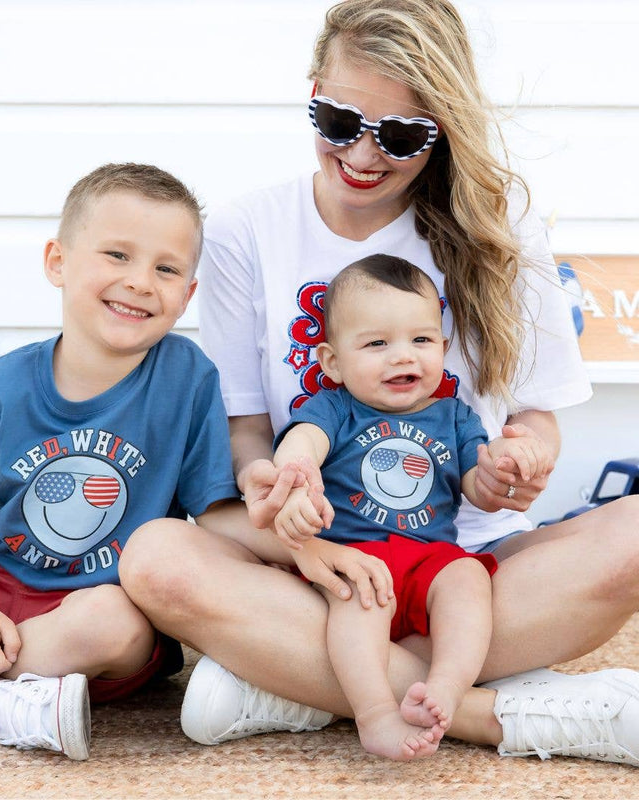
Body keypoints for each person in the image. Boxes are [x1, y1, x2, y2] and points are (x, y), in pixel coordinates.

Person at [119, 0, 639, 767]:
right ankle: (501, 715)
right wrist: (277, 492)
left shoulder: (499, 231)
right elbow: (247, 433)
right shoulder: (245, 231)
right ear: (312, 93)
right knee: (156, 557)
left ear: (444, 128)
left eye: (400, 136)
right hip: (321, 565)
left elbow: (535, 419)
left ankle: (296, 684)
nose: (363, 154)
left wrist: (521, 461)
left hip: (467, 563)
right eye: (338, 122)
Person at [0, 162, 243, 760]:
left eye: (166, 268)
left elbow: (214, 515)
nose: (139, 282)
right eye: (117, 255)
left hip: (92, 617)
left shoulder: (188, 378)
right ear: (58, 262)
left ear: (187, 295)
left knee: (113, 621)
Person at [270, 254, 555, 759]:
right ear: (332, 362)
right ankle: (375, 712)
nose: (403, 357)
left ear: (442, 348)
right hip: (356, 554)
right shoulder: (334, 407)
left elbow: (479, 486)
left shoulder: (455, 416)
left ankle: (446, 685)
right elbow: (304, 441)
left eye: (421, 340)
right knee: (357, 598)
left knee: (469, 579)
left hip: (431, 558)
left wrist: (504, 466)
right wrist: (297, 473)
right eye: (377, 344)